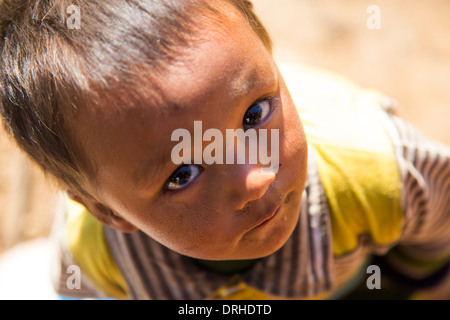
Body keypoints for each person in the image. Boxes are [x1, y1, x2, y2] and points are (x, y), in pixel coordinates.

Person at [0, 0, 449, 300]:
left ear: (270, 54)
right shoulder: (94, 252)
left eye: (255, 115)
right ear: (108, 211)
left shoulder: (381, 168)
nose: (254, 179)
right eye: (184, 172)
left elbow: (437, 246)